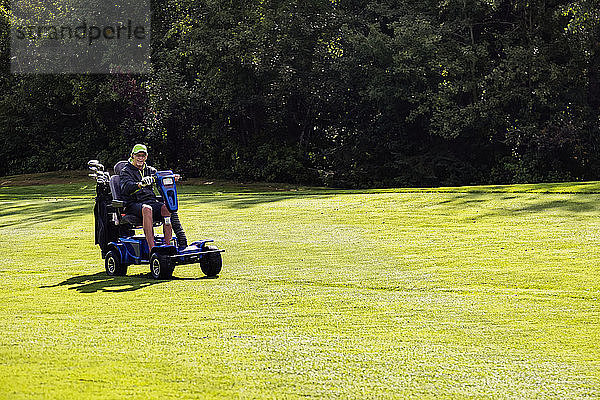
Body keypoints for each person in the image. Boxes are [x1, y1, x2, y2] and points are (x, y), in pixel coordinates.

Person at [120, 144, 174, 251]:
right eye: (138, 155)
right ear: (132, 156)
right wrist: (140, 184)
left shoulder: (150, 170)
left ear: (146, 156)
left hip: (150, 201)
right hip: (133, 204)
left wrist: (171, 177)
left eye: (143, 155)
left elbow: (160, 179)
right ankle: (151, 248)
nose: (140, 158)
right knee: (147, 209)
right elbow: (126, 188)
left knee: (166, 208)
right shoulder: (126, 171)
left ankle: (168, 246)